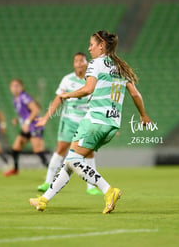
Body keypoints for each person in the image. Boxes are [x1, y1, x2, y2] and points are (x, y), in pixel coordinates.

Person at [30, 30, 152, 214]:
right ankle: (44, 199)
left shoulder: (96, 63)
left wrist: (67, 95)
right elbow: (135, 93)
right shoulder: (120, 66)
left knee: (72, 160)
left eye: (92, 44)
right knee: (71, 160)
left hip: (95, 120)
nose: (89, 48)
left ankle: (108, 190)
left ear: (101, 45)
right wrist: (143, 115)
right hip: (112, 124)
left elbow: (88, 89)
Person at [35, 52, 103, 196]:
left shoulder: (92, 80)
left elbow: (99, 101)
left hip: (86, 122)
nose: (78, 63)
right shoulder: (67, 80)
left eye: (81, 60)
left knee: (89, 152)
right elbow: (58, 99)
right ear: (73, 64)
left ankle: (91, 186)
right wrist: (46, 118)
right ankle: (48, 181)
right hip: (69, 120)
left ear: (86, 63)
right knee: (61, 148)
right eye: (76, 61)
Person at [4, 79, 49, 176]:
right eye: (13, 86)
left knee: (37, 150)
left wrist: (27, 122)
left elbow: (35, 110)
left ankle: (51, 171)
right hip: (26, 127)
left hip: (34, 126)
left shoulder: (24, 97)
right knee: (15, 148)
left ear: (22, 87)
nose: (15, 88)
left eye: (17, 86)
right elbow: (25, 114)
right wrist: (18, 120)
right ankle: (15, 169)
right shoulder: (15, 99)